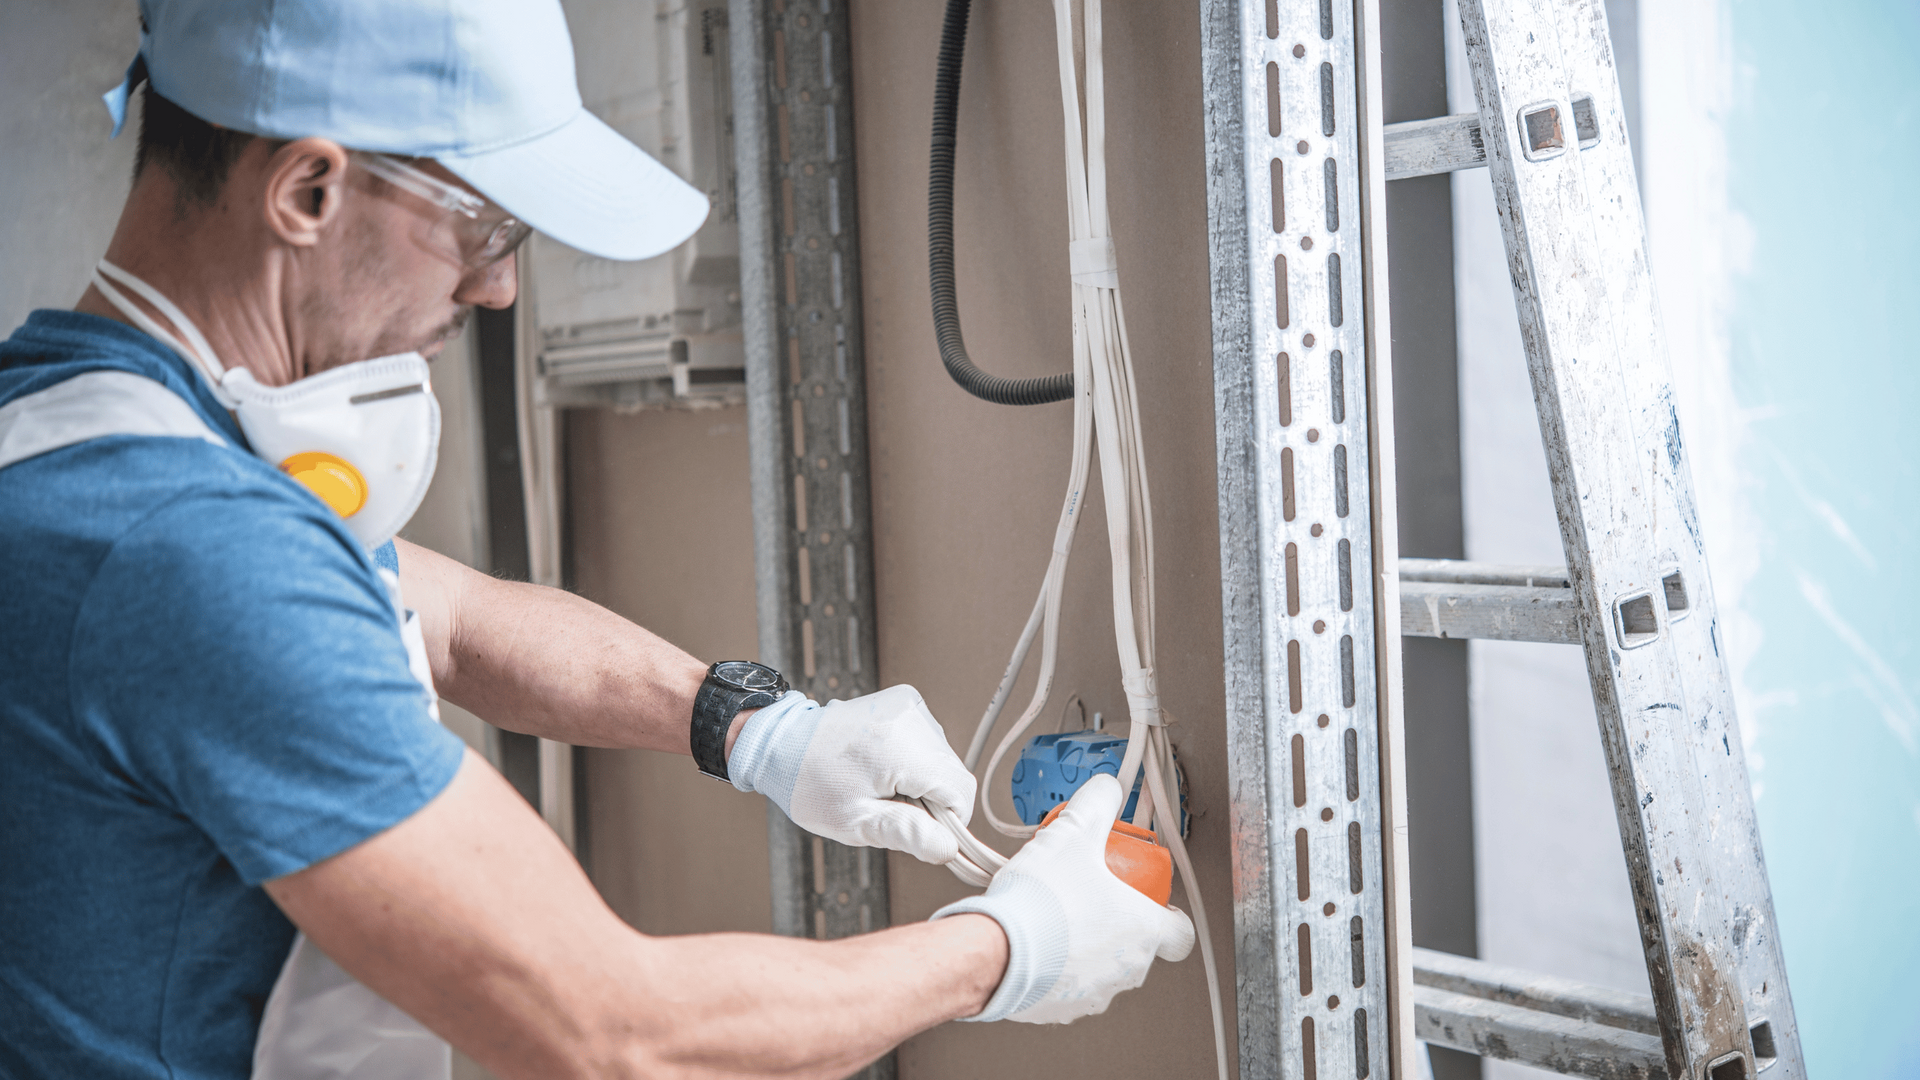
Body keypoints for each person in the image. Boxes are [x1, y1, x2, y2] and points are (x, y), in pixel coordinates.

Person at [0, 1, 1197, 1078]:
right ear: (307, 191)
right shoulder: (187, 551)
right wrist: (1012, 948)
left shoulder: (66, 427)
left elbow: (447, 618)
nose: (499, 292)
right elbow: (614, 1031)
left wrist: (762, 727)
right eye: (487, 232)